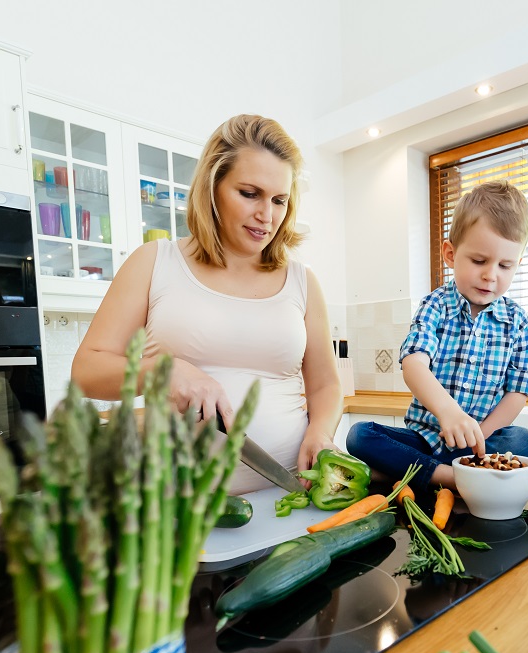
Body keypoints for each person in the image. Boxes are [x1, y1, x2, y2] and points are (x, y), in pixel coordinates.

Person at [72, 114, 342, 495]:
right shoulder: (154, 261)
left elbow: (326, 385)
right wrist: (161, 372)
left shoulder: (302, 280)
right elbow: (87, 369)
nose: (267, 216)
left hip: (286, 494)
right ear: (212, 187)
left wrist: (321, 432)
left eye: (279, 200)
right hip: (175, 503)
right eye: (250, 194)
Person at [346, 181, 528, 491]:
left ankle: (420, 474)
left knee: (523, 441)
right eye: (479, 261)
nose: (491, 275)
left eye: (505, 265)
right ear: (450, 254)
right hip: (424, 440)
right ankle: (450, 477)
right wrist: (448, 413)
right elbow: (414, 364)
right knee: (360, 435)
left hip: (479, 446)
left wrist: (479, 436)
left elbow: (517, 394)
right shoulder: (436, 304)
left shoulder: (517, 321)